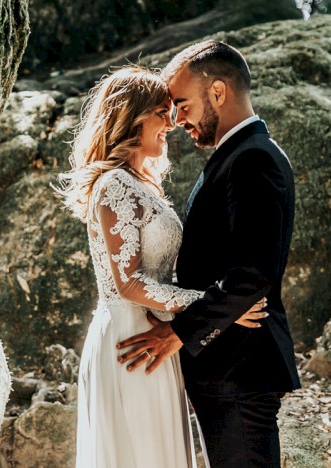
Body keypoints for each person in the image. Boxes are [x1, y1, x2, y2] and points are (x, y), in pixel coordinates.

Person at [56, 65, 267, 468]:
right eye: (160, 112)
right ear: (130, 117)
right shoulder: (115, 184)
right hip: (129, 340)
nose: (170, 124)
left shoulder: (139, 183)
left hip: (153, 334)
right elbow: (130, 284)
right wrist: (218, 304)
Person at [117, 41, 301, 467]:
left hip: (240, 369)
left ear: (218, 92)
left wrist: (178, 332)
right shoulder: (237, 155)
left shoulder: (253, 159)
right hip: (226, 366)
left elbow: (254, 274)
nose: (177, 119)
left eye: (182, 105)